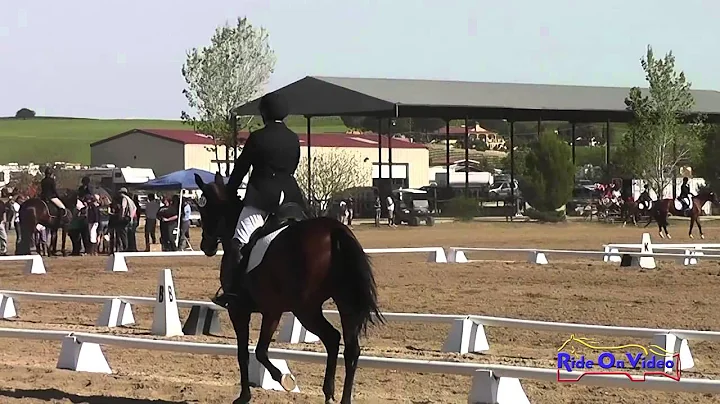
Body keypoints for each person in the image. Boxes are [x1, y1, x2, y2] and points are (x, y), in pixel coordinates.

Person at [219, 92, 306, 306]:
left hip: (262, 199)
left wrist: (229, 192)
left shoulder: (257, 137)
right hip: (292, 198)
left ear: (263, 113)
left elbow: (241, 169)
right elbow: (293, 166)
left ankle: (234, 292)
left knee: (238, 242)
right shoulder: (293, 138)